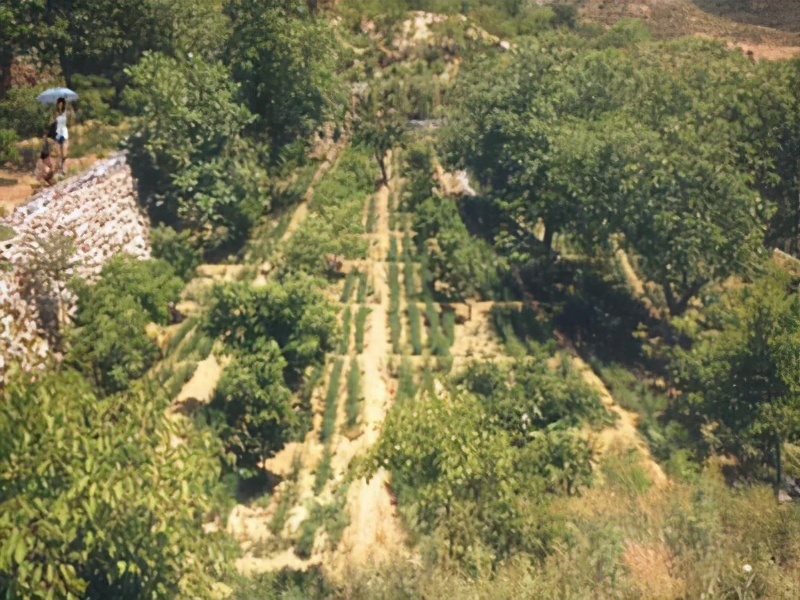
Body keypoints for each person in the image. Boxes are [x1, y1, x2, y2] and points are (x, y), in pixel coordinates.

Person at [53, 96, 70, 173]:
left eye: (61, 104)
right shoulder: (55, 113)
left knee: (64, 152)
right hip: (57, 133)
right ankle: (60, 168)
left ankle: (64, 167)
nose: (60, 105)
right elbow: (53, 122)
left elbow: (70, 120)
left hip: (64, 133)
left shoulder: (65, 112)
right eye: (59, 104)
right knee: (58, 153)